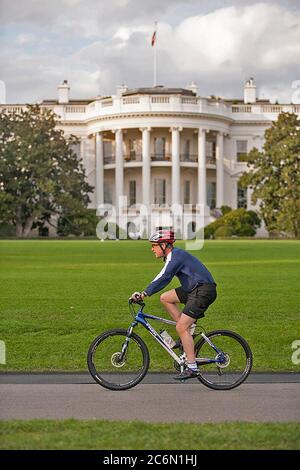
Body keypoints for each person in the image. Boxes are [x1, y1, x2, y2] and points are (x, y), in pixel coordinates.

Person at [130, 229, 217, 380]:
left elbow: (165, 277)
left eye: (154, 245)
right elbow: (162, 275)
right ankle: (186, 335)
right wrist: (145, 292)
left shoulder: (176, 256)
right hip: (193, 288)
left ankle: (192, 367)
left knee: (181, 327)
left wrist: (144, 293)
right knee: (165, 298)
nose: (152, 248)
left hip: (203, 290)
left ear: (164, 245)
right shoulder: (173, 256)